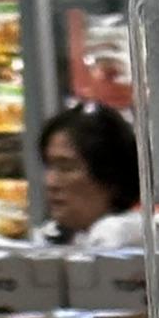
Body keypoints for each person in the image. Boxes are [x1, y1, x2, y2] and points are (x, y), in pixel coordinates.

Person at [39, 99, 143, 250]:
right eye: (49, 166)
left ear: (110, 176)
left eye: (66, 168)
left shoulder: (124, 238)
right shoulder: (51, 236)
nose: (51, 182)